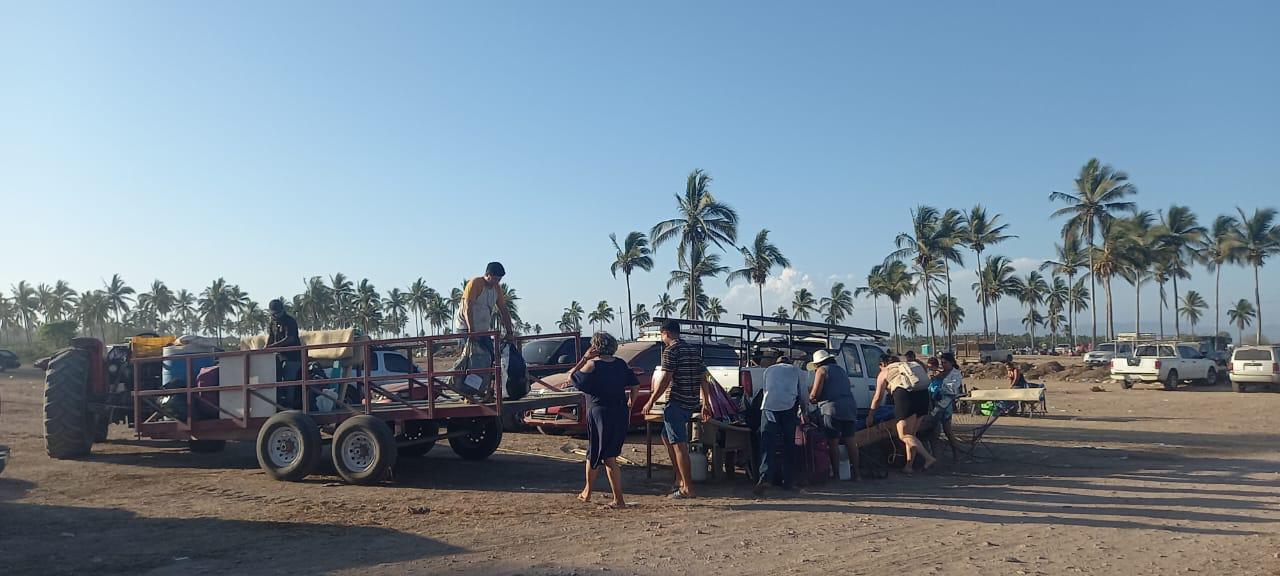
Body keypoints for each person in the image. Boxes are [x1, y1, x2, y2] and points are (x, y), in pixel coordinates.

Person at [643, 320, 715, 499]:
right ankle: (679, 478)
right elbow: (703, 378)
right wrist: (705, 403)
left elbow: (666, 378)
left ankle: (687, 487)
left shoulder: (671, 351)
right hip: (690, 402)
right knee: (667, 437)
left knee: (679, 445)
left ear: (665, 333)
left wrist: (651, 401)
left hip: (676, 402)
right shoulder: (692, 350)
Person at [568, 332, 638, 508]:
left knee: (602, 454)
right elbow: (635, 385)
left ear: (595, 347)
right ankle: (590, 491)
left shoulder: (592, 365)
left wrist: (584, 359)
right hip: (619, 411)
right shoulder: (621, 364)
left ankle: (614, 498)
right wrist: (631, 402)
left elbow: (571, 377)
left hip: (600, 412)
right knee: (603, 453)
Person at [452, 262, 515, 398]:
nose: (497, 282)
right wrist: (471, 331)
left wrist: (510, 332)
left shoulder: (496, 289)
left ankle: (482, 392)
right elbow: (468, 308)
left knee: (489, 359)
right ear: (487, 275)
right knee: (468, 361)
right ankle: (464, 392)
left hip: (483, 330)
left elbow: (503, 309)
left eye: (499, 279)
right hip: (465, 328)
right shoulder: (475, 283)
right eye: (495, 278)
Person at [871, 354, 936, 473]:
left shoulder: (885, 372)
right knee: (911, 436)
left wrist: (871, 414)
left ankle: (928, 458)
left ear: (883, 364)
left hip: (906, 397)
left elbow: (877, 397)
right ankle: (908, 466)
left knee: (904, 435)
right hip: (923, 396)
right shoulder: (907, 366)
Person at [754, 353, 807, 495]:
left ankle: (764, 478)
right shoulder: (797, 371)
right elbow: (803, 394)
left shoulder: (769, 370)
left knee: (767, 444)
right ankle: (788, 482)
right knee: (789, 444)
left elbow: (765, 391)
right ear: (790, 362)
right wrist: (805, 412)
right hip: (788, 407)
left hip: (768, 408)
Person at [808, 350, 861, 482]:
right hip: (849, 407)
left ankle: (836, 475)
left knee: (833, 442)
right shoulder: (841, 370)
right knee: (850, 442)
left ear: (818, 363)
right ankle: (857, 474)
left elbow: (815, 394)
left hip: (832, 409)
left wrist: (810, 398)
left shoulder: (821, 370)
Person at [265, 299, 302, 408]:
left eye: (279, 312)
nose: (277, 315)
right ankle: (276, 404)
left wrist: (272, 347)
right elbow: (271, 338)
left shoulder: (289, 321)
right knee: (273, 379)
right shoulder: (272, 322)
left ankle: (289, 406)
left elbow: (290, 339)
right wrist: (265, 349)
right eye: (275, 313)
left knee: (288, 381)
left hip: (292, 357)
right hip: (279, 357)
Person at [931, 353, 964, 461]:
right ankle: (935, 456)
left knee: (947, 431)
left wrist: (939, 388)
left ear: (951, 362)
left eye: (945, 363)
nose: (943, 365)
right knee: (934, 432)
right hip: (935, 403)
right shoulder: (941, 374)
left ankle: (956, 454)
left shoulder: (955, 374)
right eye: (942, 363)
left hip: (945, 405)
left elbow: (952, 390)